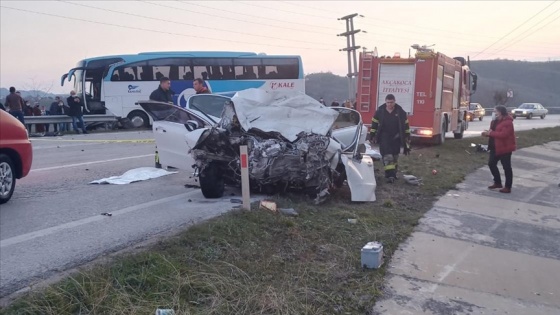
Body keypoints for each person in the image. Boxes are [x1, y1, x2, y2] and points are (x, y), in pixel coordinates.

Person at [368, 94, 411, 183]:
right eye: (388, 102)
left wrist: (407, 135)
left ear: (394, 102)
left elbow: (406, 124)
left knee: (395, 156)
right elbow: (374, 123)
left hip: (396, 137)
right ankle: (389, 176)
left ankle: (394, 174)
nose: (389, 104)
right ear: (385, 102)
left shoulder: (400, 111)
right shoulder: (380, 111)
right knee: (387, 156)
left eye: (391, 102)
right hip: (384, 136)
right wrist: (372, 134)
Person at [482, 105, 516, 193]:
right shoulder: (494, 121)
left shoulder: (508, 122)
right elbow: (492, 132)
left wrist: (491, 133)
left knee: (507, 167)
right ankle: (497, 182)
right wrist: (487, 134)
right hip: (495, 147)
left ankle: (508, 187)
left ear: (500, 112)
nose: (494, 113)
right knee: (491, 164)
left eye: (495, 111)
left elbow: (504, 135)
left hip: (505, 147)